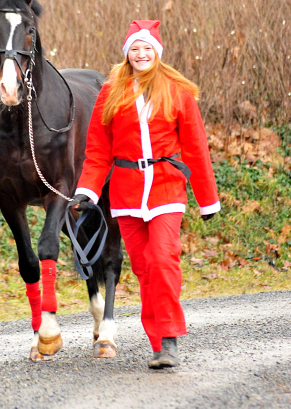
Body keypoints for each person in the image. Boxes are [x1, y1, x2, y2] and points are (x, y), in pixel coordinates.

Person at [72, 20, 220, 369]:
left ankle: (169, 340)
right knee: (142, 267)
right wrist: (88, 192)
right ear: (127, 54)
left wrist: (207, 198)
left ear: (157, 52)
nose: (141, 54)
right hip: (125, 194)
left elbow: (196, 148)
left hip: (167, 188)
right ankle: (158, 344)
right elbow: (97, 151)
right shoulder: (110, 92)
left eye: (147, 48)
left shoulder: (176, 91)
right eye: (135, 49)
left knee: (162, 259)